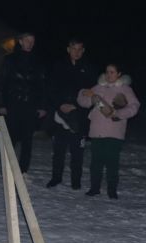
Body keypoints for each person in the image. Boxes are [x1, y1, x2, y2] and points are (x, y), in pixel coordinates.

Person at [77, 63, 140, 199]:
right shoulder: (98, 87)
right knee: (96, 162)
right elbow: (83, 102)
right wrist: (83, 93)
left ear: (119, 74)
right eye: (107, 72)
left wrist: (119, 113)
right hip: (97, 130)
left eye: (112, 72)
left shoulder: (125, 89)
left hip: (114, 131)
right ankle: (94, 188)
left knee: (112, 163)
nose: (109, 74)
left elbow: (134, 107)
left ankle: (112, 190)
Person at [45, 37, 97, 190]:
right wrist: (60, 104)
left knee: (77, 152)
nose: (77, 52)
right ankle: (56, 178)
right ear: (68, 49)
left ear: (83, 50)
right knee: (59, 150)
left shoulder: (89, 68)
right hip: (60, 115)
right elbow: (50, 89)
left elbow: (91, 92)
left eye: (80, 49)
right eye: (74, 49)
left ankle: (76, 181)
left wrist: (77, 106)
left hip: (79, 116)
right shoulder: (58, 66)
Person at [0, 31, 47, 173]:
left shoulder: (38, 60)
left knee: (27, 140)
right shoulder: (9, 59)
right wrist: (1, 104)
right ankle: (8, 168)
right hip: (13, 104)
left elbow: (43, 84)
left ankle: (23, 169)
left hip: (31, 105)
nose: (30, 43)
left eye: (32, 41)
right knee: (11, 137)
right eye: (27, 40)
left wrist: (42, 106)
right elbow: (2, 83)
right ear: (20, 41)